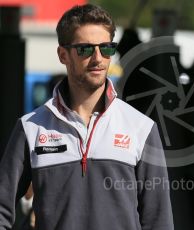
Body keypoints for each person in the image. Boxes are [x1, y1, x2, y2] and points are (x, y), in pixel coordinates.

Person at [0, 4, 173, 230]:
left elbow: (159, 221)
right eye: (85, 49)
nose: (98, 58)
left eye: (106, 48)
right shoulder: (31, 128)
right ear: (63, 55)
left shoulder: (141, 128)